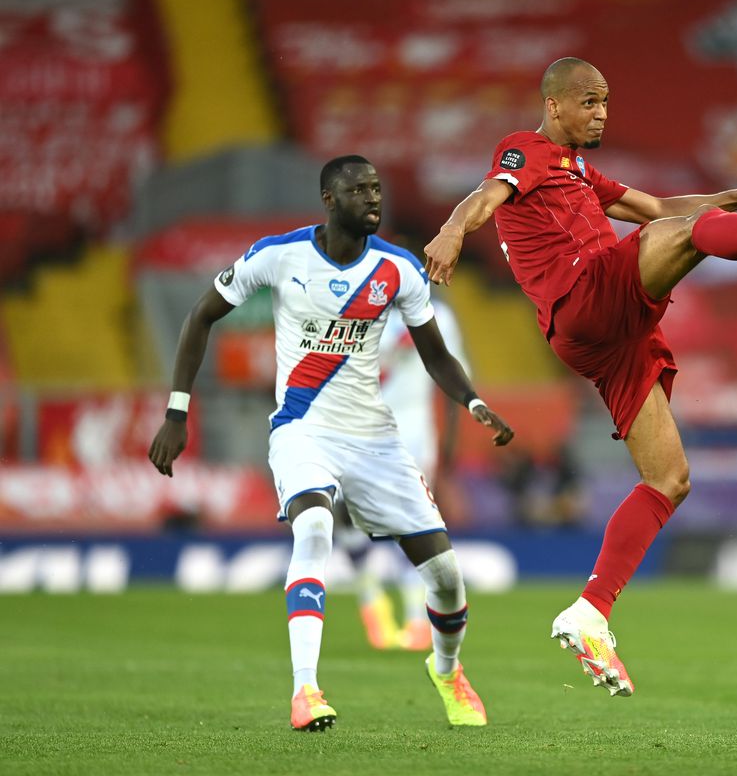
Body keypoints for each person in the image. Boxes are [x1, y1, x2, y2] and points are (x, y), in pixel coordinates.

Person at [424, 57, 737, 697]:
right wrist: (449, 231)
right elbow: (487, 196)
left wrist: (734, 199)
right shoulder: (524, 151)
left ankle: (590, 612)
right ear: (554, 106)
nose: (601, 112)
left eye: (606, 101)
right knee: (674, 237)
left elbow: (658, 205)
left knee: (669, 479)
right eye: (589, 101)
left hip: (610, 338)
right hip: (584, 297)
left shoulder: (577, 168)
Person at [148, 155, 514, 731]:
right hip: (301, 429)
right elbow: (201, 315)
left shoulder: (399, 270)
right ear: (329, 198)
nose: (373, 199)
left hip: (375, 438)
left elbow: (436, 355)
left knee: (445, 577)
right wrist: (177, 411)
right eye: (359, 190)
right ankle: (306, 691)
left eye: (377, 189)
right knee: (315, 529)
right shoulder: (278, 255)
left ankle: (446, 670)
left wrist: (473, 403)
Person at [344, 287, 469, 652]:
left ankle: (416, 618)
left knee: (414, 522)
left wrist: (449, 445)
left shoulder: (439, 318)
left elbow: (452, 375)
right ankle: (371, 596)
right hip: (362, 425)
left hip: (414, 432)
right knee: (351, 520)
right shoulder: (363, 316)